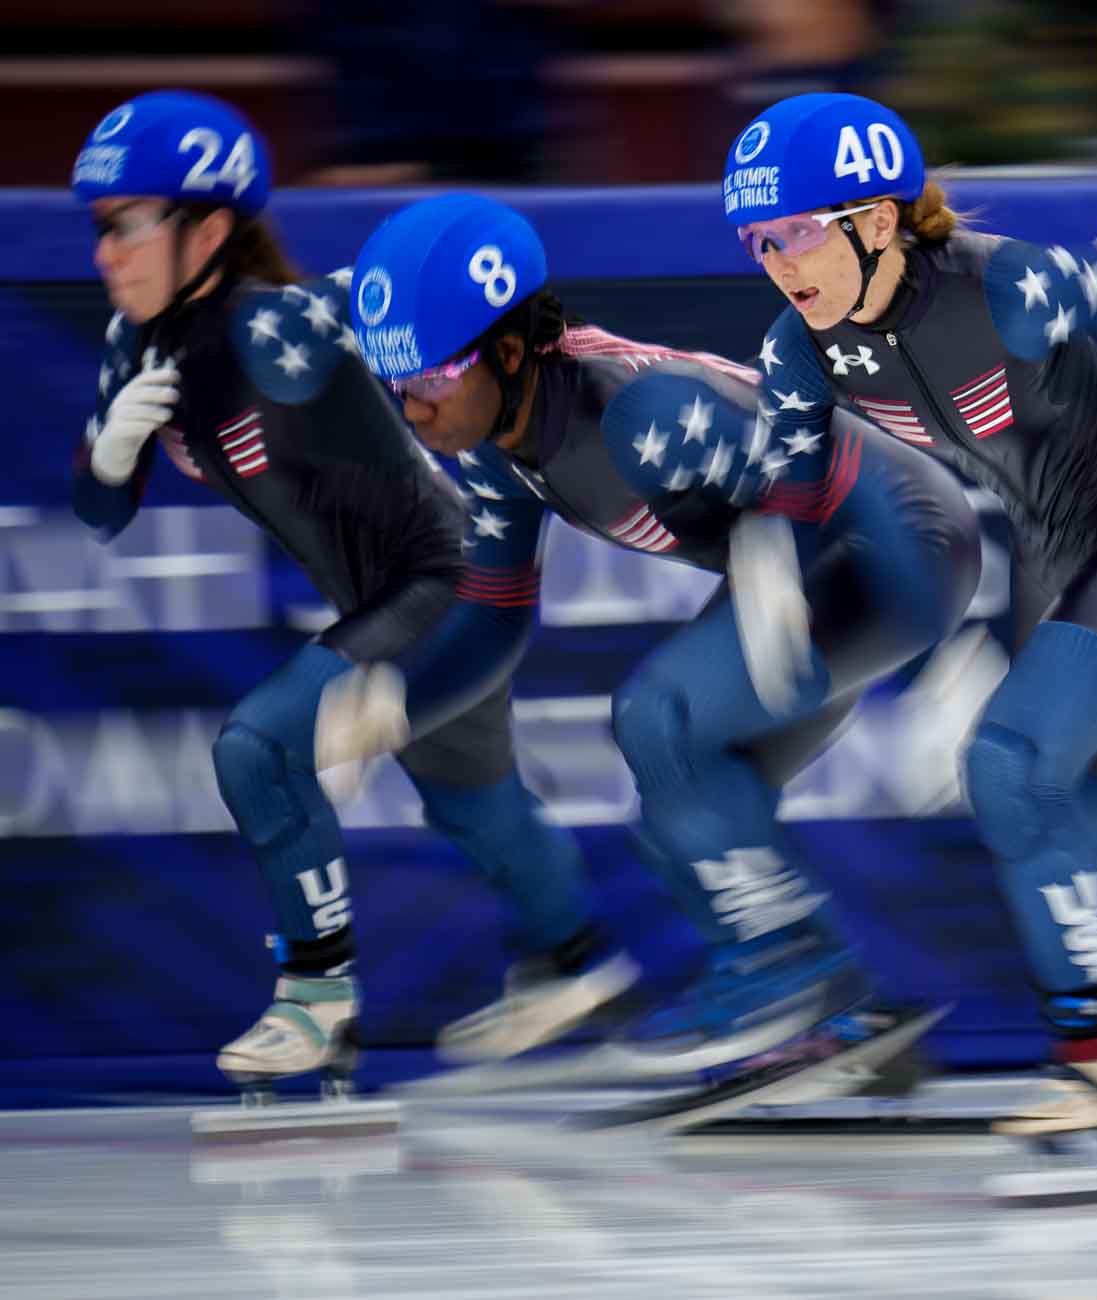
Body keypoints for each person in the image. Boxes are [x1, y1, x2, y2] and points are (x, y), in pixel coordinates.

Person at [331, 193, 981, 1080]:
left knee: (658, 717)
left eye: (435, 377)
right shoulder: (496, 449)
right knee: (690, 814)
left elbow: (816, 471)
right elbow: (492, 617)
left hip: (898, 541)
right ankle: (841, 1023)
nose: (416, 411)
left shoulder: (641, 415)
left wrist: (940, 661)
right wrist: (394, 702)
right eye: (395, 383)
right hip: (831, 569)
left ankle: (784, 968)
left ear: (513, 348)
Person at [68, 92, 629, 1107]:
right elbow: (98, 514)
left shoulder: (280, 329)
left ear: (209, 228)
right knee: (473, 800)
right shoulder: (132, 346)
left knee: (256, 745)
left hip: (443, 583)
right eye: (96, 226)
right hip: (394, 593)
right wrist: (110, 453)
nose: (104, 249)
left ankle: (316, 995)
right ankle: (577, 961)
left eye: (125, 223)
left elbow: (465, 326)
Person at [721, 92, 1097, 1143]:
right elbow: (779, 494)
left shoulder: (1011, 286)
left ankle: (1095, 1064)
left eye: (795, 234)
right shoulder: (799, 348)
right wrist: (769, 571)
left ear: (875, 221)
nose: (778, 261)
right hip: (1060, 552)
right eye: (756, 240)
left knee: (1008, 765)